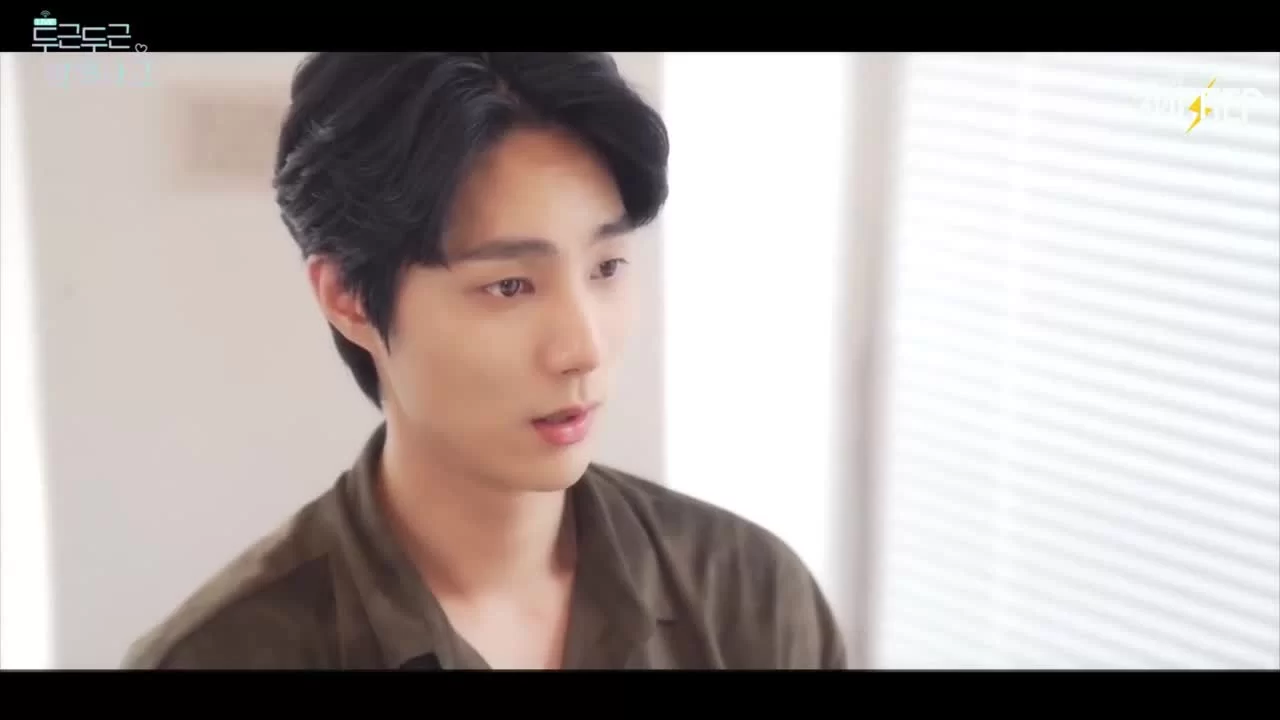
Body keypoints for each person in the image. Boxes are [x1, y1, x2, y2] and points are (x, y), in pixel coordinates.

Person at [122, 52, 847, 670]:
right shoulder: (221, 655)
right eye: (510, 286)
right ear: (349, 298)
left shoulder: (751, 600)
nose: (583, 349)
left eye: (607, 267)